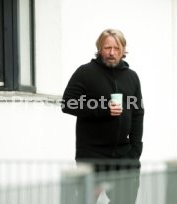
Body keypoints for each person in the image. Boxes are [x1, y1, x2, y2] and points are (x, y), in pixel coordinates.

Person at [61, 28, 143, 203]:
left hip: (124, 155)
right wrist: (103, 108)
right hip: (92, 155)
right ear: (99, 49)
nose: (112, 53)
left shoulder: (132, 77)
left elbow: (138, 113)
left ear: (123, 50)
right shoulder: (85, 72)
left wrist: (135, 149)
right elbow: (67, 104)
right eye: (107, 48)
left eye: (116, 48)